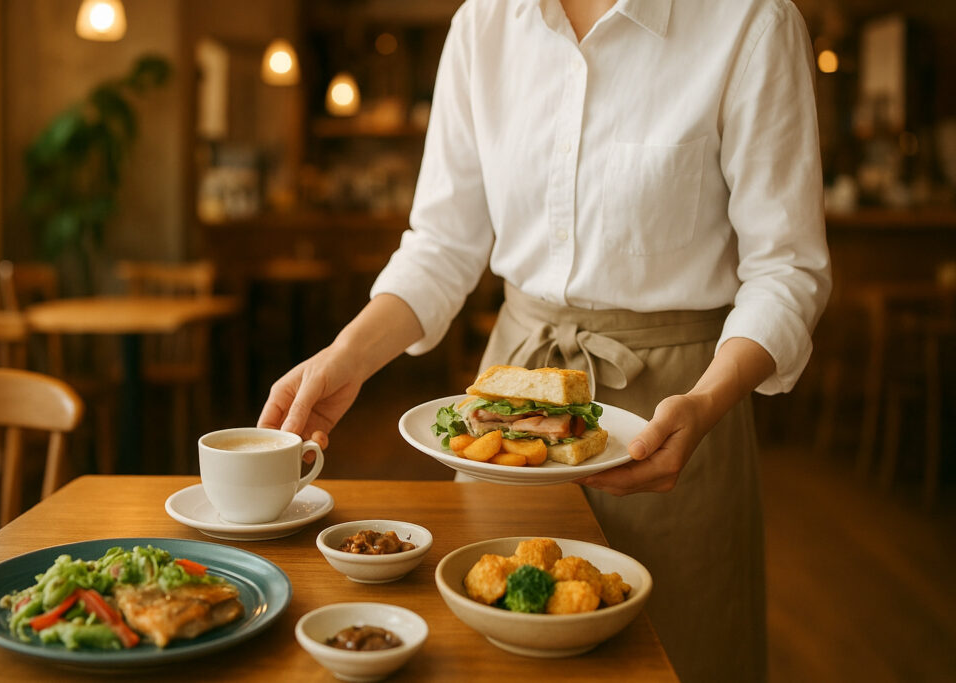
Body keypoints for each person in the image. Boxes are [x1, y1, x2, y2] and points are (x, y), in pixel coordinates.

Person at [259, 0, 831, 680]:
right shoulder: (483, 24)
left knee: (680, 652)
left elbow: (786, 269)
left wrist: (708, 401)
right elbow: (442, 246)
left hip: (677, 409)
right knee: (494, 654)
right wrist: (344, 357)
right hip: (511, 404)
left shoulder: (750, 21)